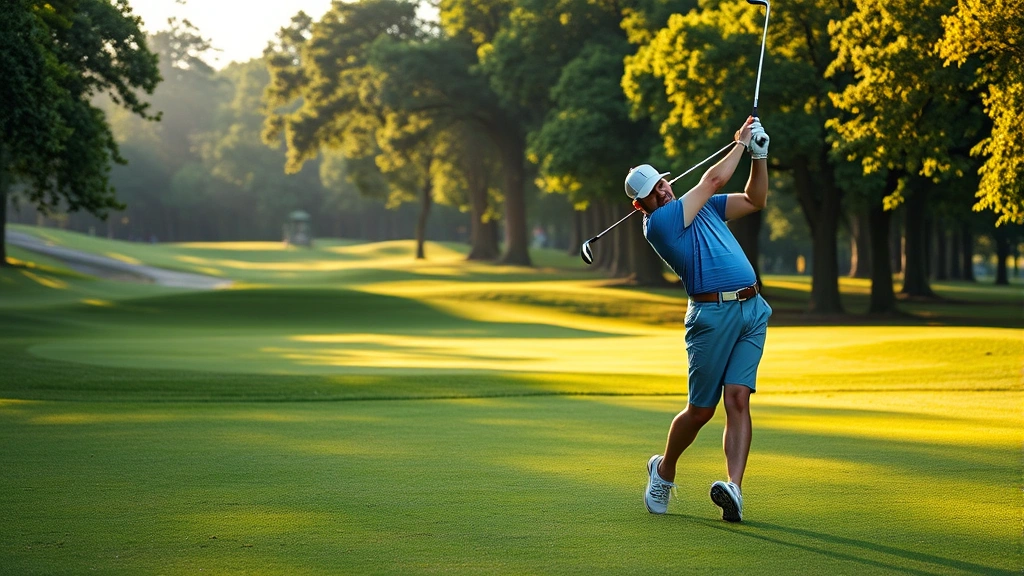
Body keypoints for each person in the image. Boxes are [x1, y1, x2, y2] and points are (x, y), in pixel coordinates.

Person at [625, 116, 771, 522]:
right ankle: (664, 469)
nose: (664, 189)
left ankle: (734, 489)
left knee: (738, 398)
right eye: (655, 191)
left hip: (752, 309)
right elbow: (712, 181)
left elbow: (754, 200)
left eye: (663, 182)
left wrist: (759, 156)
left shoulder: (700, 209)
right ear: (642, 205)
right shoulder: (659, 224)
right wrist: (740, 143)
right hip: (711, 316)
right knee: (701, 411)